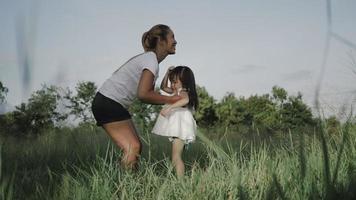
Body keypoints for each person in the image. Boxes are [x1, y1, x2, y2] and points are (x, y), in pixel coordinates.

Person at [91, 24, 181, 169]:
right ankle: (123, 188)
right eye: (172, 37)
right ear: (160, 40)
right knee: (132, 147)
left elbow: (149, 95)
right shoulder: (150, 60)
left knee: (135, 148)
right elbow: (143, 94)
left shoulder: (150, 61)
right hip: (109, 102)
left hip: (110, 102)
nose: (175, 41)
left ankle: (125, 184)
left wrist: (171, 100)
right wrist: (172, 99)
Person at [152, 66, 198, 177]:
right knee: (175, 157)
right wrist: (167, 73)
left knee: (176, 158)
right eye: (171, 82)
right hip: (178, 127)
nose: (172, 85)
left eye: (175, 82)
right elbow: (163, 87)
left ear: (184, 81)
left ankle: (181, 183)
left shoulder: (183, 91)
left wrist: (169, 108)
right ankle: (181, 181)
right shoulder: (176, 91)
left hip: (180, 127)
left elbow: (185, 100)